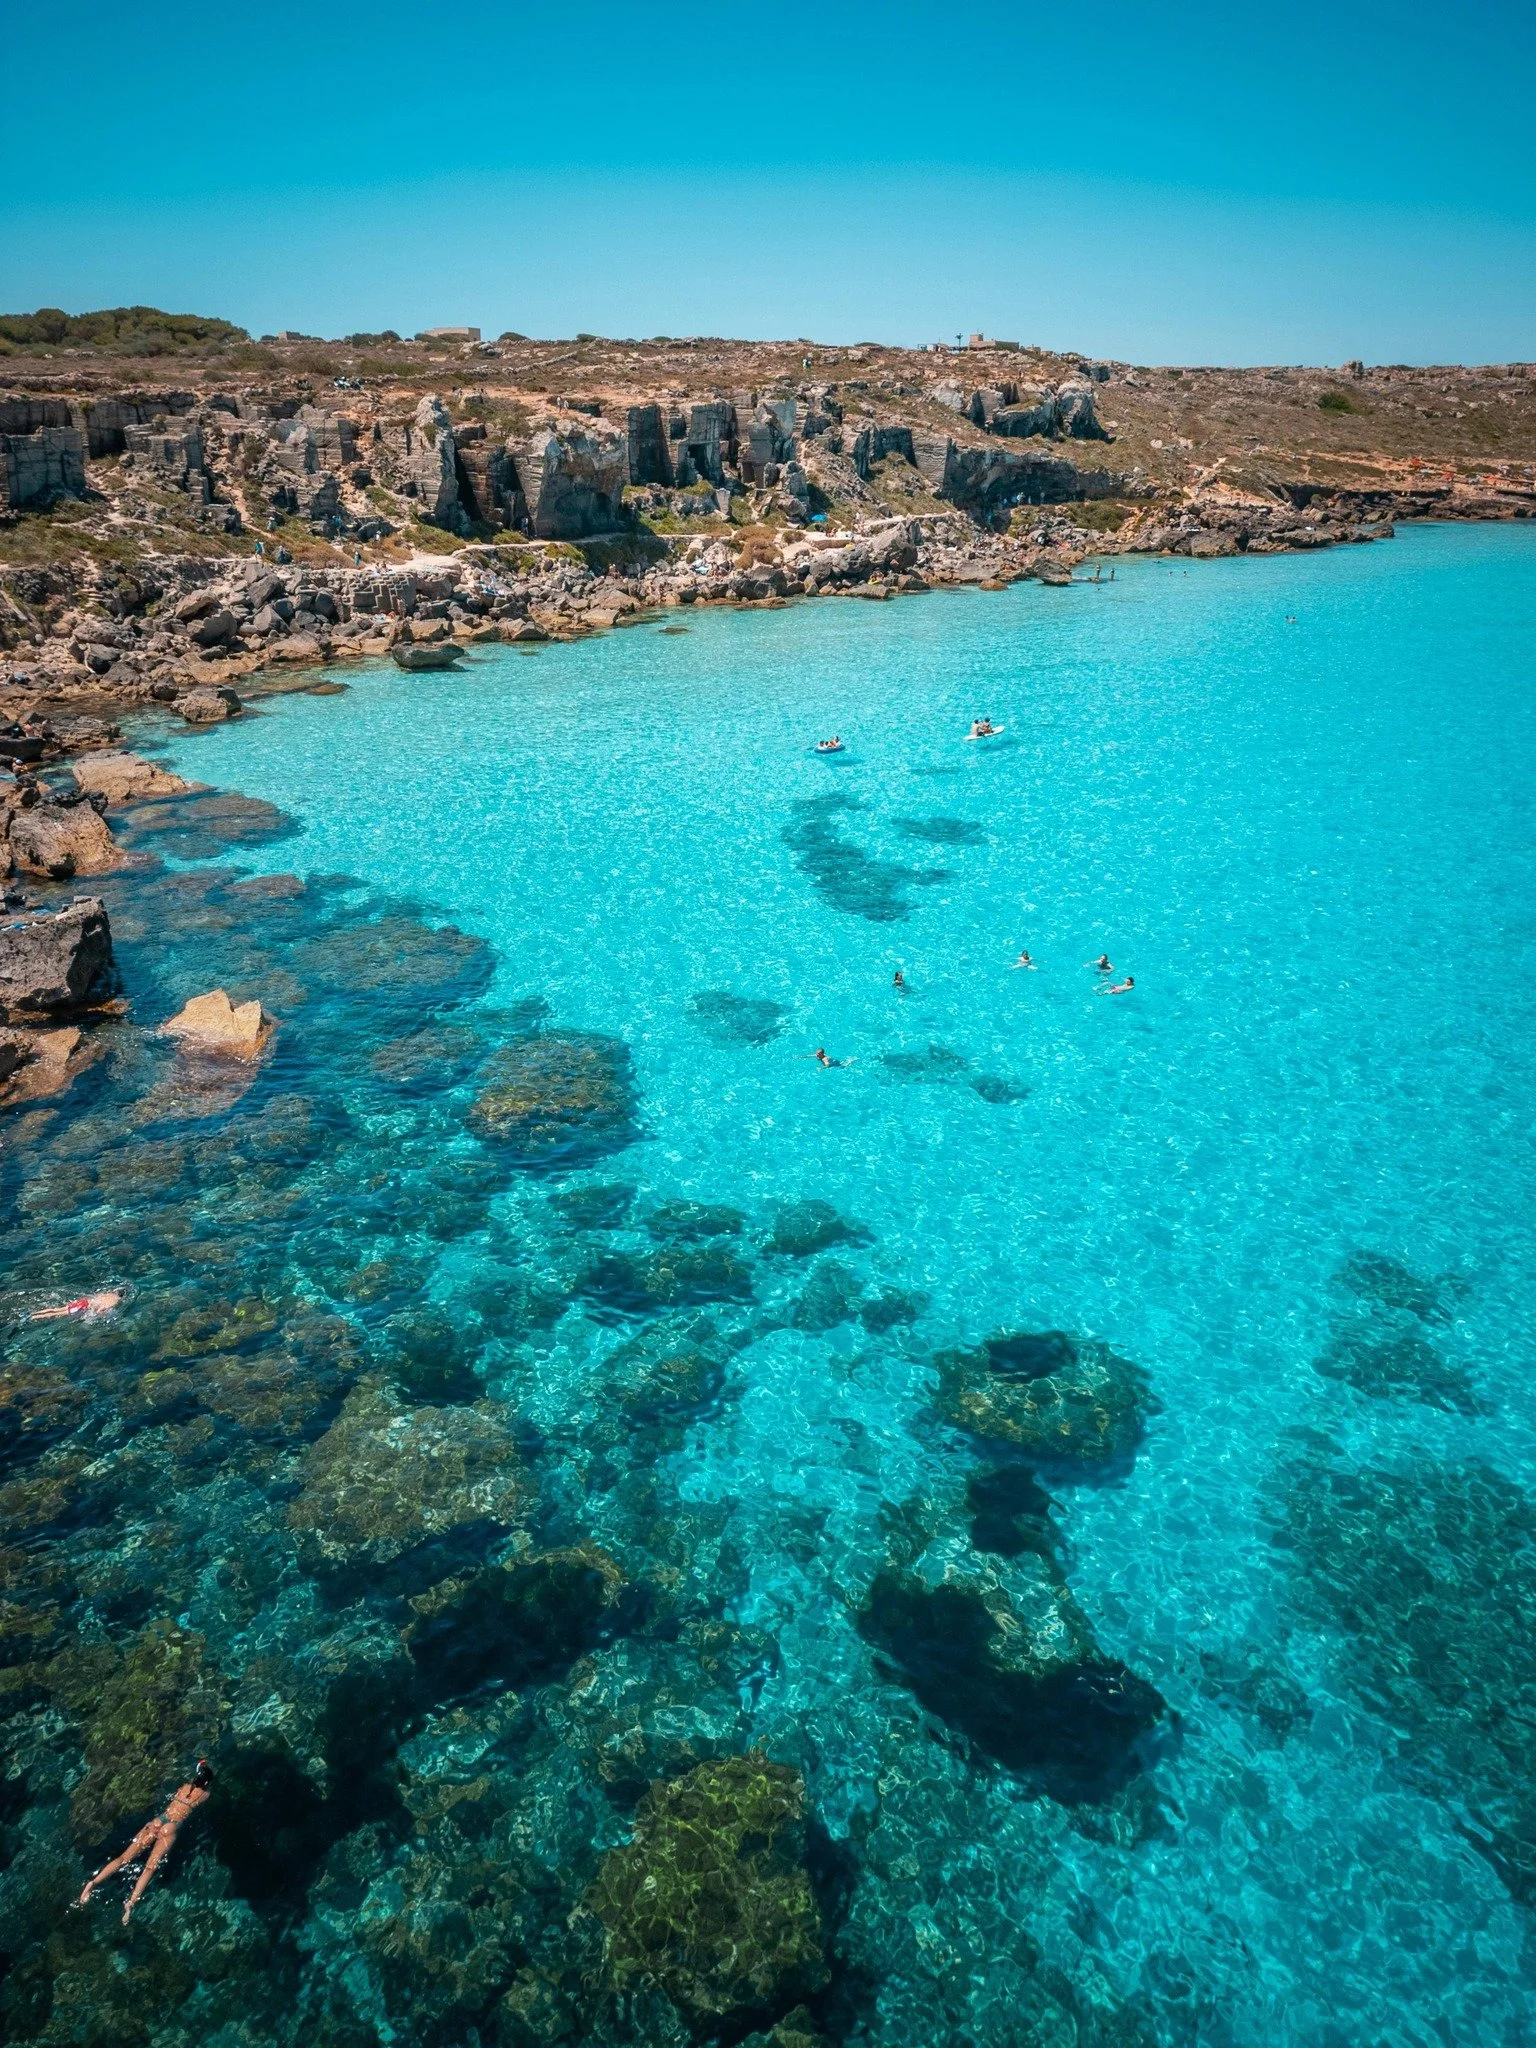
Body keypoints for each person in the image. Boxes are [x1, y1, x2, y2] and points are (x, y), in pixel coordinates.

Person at [77, 1762, 213, 1926]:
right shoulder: (206, 1795)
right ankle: (130, 1903)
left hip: (157, 1821)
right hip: (171, 1827)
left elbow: (196, 1773)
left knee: (124, 1858)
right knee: (150, 1867)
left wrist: (200, 1767)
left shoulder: (183, 1786)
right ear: (206, 1783)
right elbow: (200, 1794)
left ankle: (93, 1883)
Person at [28, 1290, 123, 1324]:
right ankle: (33, 1317)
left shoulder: (108, 1293)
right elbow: (100, 1309)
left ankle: (33, 1313)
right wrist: (97, 1314)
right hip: (83, 1307)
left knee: (56, 1309)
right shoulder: (114, 1301)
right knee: (58, 1314)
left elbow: (96, 1296)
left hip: (83, 1301)